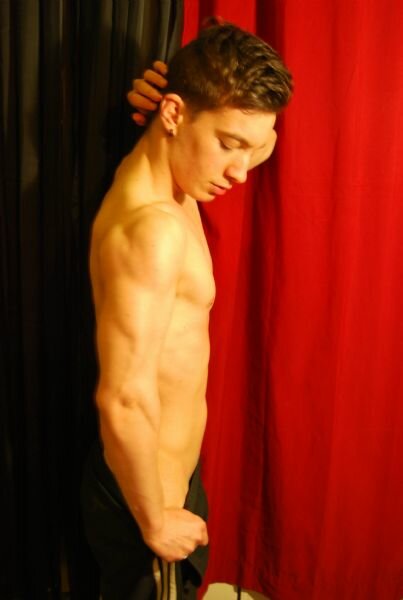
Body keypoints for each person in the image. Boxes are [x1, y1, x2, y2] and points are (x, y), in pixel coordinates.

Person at [81, 20, 293, 600]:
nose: (241, 172)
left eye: (248, 147)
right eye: (228, 144)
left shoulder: (178, 179)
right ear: (174, 114)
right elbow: (122, 397)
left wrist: (195, 111)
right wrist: (155, 520)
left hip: (169, 479)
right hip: (145, 497)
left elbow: (263, 138)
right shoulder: (151, 229)